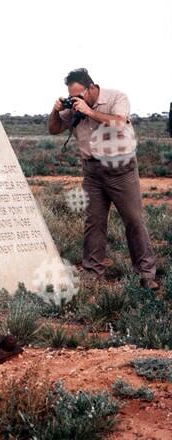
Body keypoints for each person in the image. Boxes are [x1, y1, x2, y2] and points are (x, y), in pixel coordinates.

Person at [48, 68, 158, 290]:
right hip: (92, 172)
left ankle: (146, 273)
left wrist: (89, 111)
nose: (75, 99)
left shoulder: (116, 98)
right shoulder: (76, 108)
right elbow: (53, 129)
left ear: (91, 88)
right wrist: (55, 110)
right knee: (94, 222)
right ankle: (92, 270)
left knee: (133, 220)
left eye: (79, 95)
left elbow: (119, 122)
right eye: (71, 96)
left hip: (121, 170)